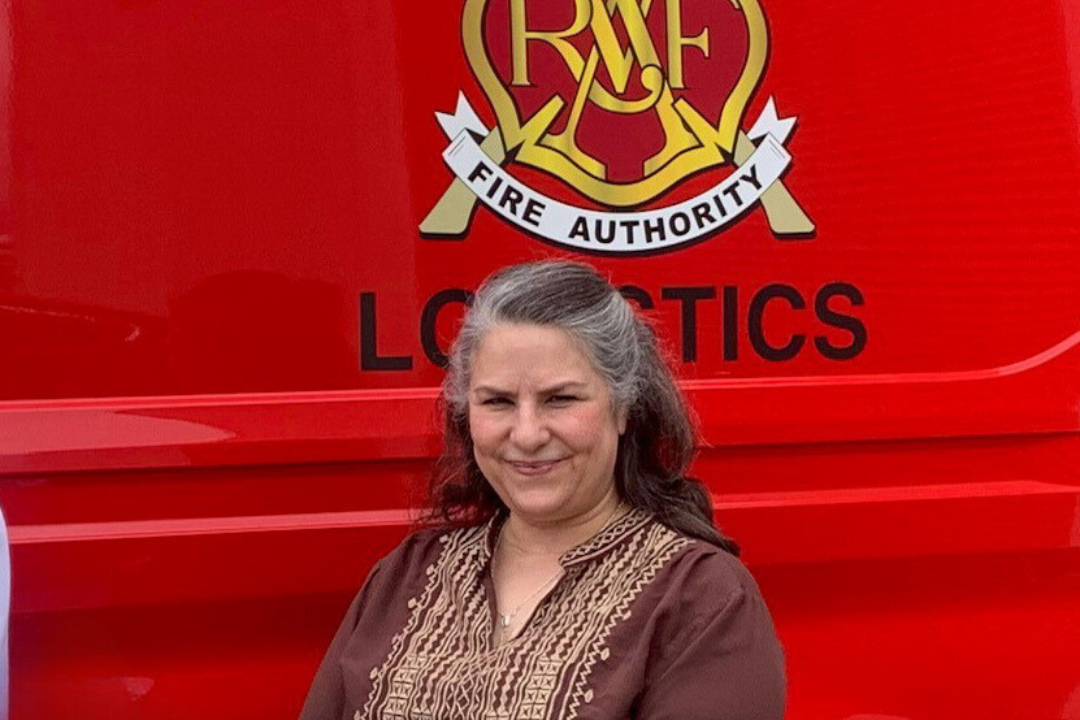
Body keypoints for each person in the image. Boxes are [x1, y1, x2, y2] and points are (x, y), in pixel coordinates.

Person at [299, 261, 785, 720]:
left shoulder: (701, 599)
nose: (527, 434)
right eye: (498, 401)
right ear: (468, 415)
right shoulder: (408, 574)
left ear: (623, 409)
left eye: (560, 399)